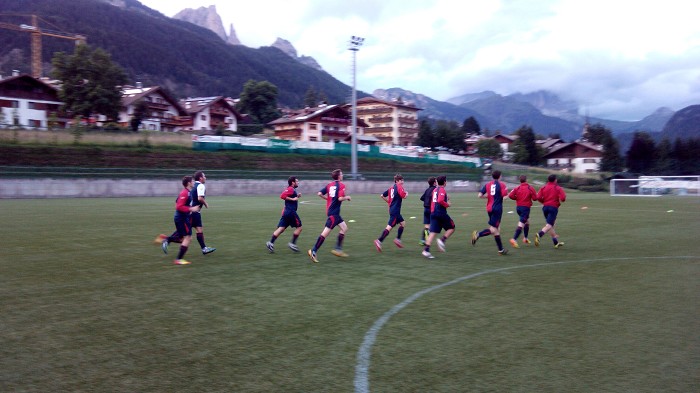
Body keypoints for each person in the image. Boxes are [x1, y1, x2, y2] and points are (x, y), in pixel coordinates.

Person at [308, 169, 352, 263]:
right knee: (325, 233)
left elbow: (319, 193)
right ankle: (313, 251)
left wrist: (328, 199)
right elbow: (340, 198)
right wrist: (347, 197)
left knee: (344, 228)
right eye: (341, 174)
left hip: (333, 213)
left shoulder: (329, 185)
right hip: (333, 214)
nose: (342, 175)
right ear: (339, 176)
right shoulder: (341, 185)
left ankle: (338, 249)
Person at [161, 175, 202, 265]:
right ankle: (178, 259)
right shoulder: (185, 193)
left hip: (183, 218)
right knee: (188, 238)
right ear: (188, 183)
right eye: (192, 181)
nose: (194, 182)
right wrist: (191, 209)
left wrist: (189, 209)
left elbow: (177, 201)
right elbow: (179, 206)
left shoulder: (187, 192)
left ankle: (167, 240)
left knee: (182, 239)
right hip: (181, 218)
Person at [472, 170, 509, 255]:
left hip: (489, 208)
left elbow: (479, 195)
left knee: (496, 229)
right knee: (493, 229)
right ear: (500, 176)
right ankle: (477, 235)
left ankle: (501, 250)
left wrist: (488, 196)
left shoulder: (488, 184)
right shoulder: (502, 185)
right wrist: (508, 195)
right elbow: (504, 197)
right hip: (497, 209)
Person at [422, 175, 455, 259]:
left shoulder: (435, 190)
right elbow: (440, 200)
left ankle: (426, 250)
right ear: (444, 182)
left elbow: (434, 201)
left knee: (433, 232)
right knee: (452, 227)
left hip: (433, 213)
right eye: (446, 181)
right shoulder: (442, 190)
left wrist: (446, 198)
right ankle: (442, 240)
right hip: (440, 213)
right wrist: (447, 204)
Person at [267, 176, 303, 253]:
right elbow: (282, 196)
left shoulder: (292, 189)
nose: (298, 182)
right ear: (293, 182)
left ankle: (270, 243)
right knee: (299, 228)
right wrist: (293, 199)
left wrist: (296, 197)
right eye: (297, 181)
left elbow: (289, 197)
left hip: (286, 212)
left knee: (281, 228)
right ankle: (292, 243)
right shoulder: (290, 188)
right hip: (290, 212)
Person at [374, 174, 408, 252]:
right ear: (397, 181)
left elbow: (382, 195)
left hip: (393, 210)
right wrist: (407, 193)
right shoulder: (399, 186)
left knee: (403, 223)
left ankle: (398, 239)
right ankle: (379, 241)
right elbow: (404, 196)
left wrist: (389, 202)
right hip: (395, 211)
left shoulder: (391, 188)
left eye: (403, 180)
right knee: (389, 227)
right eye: (401, 180)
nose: (402, 182)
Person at [534, 174, 567, 248]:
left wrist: (544, 202)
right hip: (553, 208)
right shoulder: (557, 188)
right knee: (549, 225)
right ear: (555, 180)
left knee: (551, 225)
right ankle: (539, 234)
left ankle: (556, 243)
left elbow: (538, 197)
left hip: (545, 207)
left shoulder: (543, 187)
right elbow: (563, 199)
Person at [507, 174, 538, 248]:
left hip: (518, 208)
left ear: (520, 180)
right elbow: (535, 198)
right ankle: (514, 239)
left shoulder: (517, 188)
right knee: (521, 224)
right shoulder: (530, 188)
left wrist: (516, 198)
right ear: (526, 180)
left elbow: (510, 195)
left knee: (527, 222)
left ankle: (525, 238)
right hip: (525, 208)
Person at [190, 171, 216, 255]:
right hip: (194, 212)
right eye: (204, 176)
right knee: (185, 234)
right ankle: (167, 239)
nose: (205, 178)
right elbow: (200, 198)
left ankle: (204, 248)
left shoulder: (194, 185)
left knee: (197, 230)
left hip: (192, 211)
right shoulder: (201, 185)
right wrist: (205, 204)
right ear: (200, 178)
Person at [418, 177, 436, 246]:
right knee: (433, 225)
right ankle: (427, 238)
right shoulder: (435, 189)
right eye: (436, 181)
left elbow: (421, 198)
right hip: (431, 209)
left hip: (425, 209)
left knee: (427, 225)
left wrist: (427, 201)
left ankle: (422, 240)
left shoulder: (427, 190)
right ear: (434, 183)